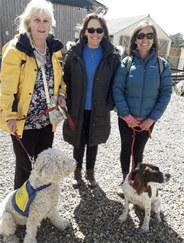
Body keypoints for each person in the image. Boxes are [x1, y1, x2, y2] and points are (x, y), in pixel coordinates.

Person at [0, 0, 66, 190]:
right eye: (37, 20)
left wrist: (62, 93)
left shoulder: (54, 49)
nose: (42, 25)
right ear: (28, 22)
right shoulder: (15, 49)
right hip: (23, 121)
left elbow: (60, 79)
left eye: (46, 20)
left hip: (47, 120)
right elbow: (7, 88)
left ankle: (39, 202)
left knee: (44, 164)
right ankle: (20, 210)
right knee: (24, 166)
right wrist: (9, 116)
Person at [63, 13, 120, 187]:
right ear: (85, 31)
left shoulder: (112, 56)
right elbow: (66, 81)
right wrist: (68, 101)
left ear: (104, 32)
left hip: (99, 108)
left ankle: (90, 172)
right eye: (91, 29)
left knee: (93, 141)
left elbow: (115, 83)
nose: (95, 33)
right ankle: (77, 171)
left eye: (99, 30)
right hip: (77, 107)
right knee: (78, 140)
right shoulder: (74, 53)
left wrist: (109, 104)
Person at [112, 22, 172, 188]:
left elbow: (166, 93)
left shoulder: (162, 65)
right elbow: (117, 90)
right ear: (135, 40)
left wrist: (152, 119)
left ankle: (135, 181)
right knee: (126, 149)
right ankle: (126, 181)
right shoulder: (127, 63)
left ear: (154, 40)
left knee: (138, 151)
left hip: (147, 121)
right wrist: (127, 116)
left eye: (149, 35)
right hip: (126, 119)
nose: (145, 39)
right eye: (141, 35)